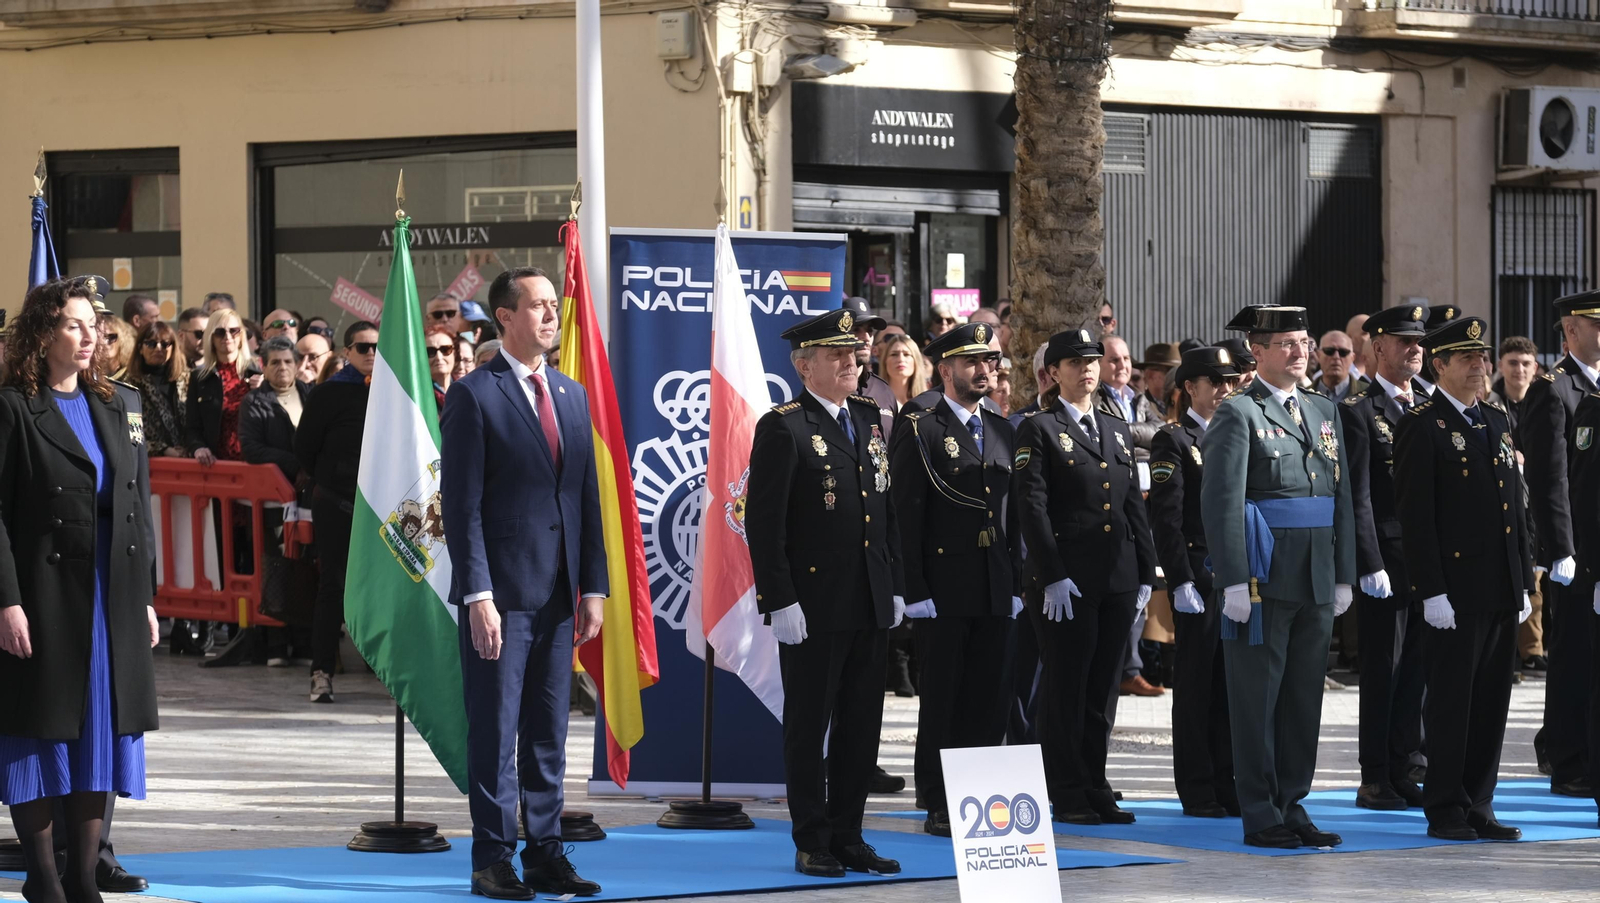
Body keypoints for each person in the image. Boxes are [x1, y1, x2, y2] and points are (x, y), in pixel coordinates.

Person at [440, 267, 606, 899]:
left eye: (552, 305)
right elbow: (462, 506)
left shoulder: (570, 394)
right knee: (495, 728)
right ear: (504, 317)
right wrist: (477, 594)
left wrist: (593, 586)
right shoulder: (475, 395)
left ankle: (544, 851)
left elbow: (585, 498)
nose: (548, 315)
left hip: (560, 595)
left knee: (548, 731)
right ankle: (492, 858)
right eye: (536, 305)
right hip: (501, 598)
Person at [0, 276, 161, 903]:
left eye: (94, 323)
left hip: (111, 597)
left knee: (103, 729)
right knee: (37, 731)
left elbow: (135, 506)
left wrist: (145, 596)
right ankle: (42, 879)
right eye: (74, 323)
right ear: (43, 336)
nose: (91, 333)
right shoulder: (13, 406)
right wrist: (6, 600)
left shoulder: (122, 405)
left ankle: (82, 875)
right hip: (42, 597)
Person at [746, 307, 906, 879]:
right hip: (812, 606)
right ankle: (812, 838)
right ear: (803, 364)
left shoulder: (867, 417)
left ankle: (850, 834)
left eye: (852, 351)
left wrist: (895, 585)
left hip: (868, 597)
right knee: (810, 726)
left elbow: (886, 511)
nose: (851, 359)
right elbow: (765, 525)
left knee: (862, 725)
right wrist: (779, 600)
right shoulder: (784, 426)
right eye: (836, 354)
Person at [1199, 305, 1356, 849]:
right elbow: (1222, 502)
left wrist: (1344, 572)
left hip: (1314, 572)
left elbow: (1343, 497)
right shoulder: (1238, 413)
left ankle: (1293, 803)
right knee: (1256, 698)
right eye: (1286, 343)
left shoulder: (1323, 410)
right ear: (1257, 352)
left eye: (1303, 341)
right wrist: (1233, 580)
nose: (1299, 352)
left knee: (1302, 698)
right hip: (1264, 577)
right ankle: (1261, 811)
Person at [1395, 316, 1531, 842]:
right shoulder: (1421, 423)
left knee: (1492, 701)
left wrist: (1521, 578)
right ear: (1440, 364)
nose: (1479, 366)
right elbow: (1417, 516)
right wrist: (1431, 589)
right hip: (1453, 589)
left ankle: (1480, 802)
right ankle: (1446, 805)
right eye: (1466, 358)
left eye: (1482, 357)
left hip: (1498, 584)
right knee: (1452, 701)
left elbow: (1512, 509)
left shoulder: (1495, 421)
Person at [1013, 328, 1155, 825]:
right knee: (1066, 688)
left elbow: (1131, 503)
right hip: (1066, 582)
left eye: (1093, 359)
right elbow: (1031, 506)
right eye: (1074, 362)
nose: (1088, 368)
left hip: (1115, 575)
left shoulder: (1116, 428)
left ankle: (1095, 782)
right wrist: (1050, 573)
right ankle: (1066, 790)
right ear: (1054, 374)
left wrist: (1145, 570)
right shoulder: (1039, 428)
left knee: (1101, 691)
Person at [890, 323, 1022, 837]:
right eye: (972, 362)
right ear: (945, 370)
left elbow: (1011, 518)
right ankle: (940, 800)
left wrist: (1015, 585)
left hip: (994, 583)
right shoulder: (921, 427)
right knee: (944, 698)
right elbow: (906, 512)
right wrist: (915, 589)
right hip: (943, 588)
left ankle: (984, 796)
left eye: (989, 361)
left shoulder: (1003, 428)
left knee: (991, 696)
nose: (985, 369)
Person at [1341, 304, 1432, 811]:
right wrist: (1369, 561)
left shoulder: (1428, 406)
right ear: (1377, 348)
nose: (1415, 349)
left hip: (1427, 559)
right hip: (1387, 561)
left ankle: (1404, 765)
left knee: (1416, 668)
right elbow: (1358, 496)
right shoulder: (1359, 411)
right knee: (1383, 669)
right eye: (1403, 341)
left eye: (1419, 342)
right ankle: (1374, 776)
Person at [1149, 346, 1242, 819]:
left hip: (1238, 577)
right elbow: (1166, 517)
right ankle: (1197, 785)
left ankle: (1227, 780)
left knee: (1230, 684)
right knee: (1196, 684)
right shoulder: (1175, 440)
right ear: (1190, 388)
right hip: (1200, 575)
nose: (1225, 391)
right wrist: (1180, 578)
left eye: (1230, 382)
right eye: (1214, 382)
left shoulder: (1237, 434)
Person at [1521, 290, 1595, 795]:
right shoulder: (1554, 388)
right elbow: (1551, 479)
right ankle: (1567, 761)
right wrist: (1562, 550)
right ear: (1570, 331)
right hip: (1578, 550)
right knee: (1572, 655)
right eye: (1596, 325)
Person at [294, 321, 377, 706]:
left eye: (378, 346)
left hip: (383, 508)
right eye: (363, 347)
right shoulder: (328, 394)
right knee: (333, 586)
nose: (372, 353)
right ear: (346, 352)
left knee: (384, 588)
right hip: (338, 503)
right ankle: (321, 671)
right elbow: (305, 449)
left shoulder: (395, 392)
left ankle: (385, 666)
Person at [240, 336, 314, 668]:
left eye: (287, 361)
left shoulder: (312, 395)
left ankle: (304, 643)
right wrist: (293, 464)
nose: (282, 367)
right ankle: (276, 643)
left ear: (297, 364)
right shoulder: (254, 402)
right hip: (272, 502)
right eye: (274, 362)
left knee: (308, 566)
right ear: (264, 366)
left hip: (311, 497)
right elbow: (252, 448)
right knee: (276, 568)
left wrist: (309, 469)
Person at [1487, 335, 1543, 672]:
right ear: (1501, 366)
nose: (1519, 369)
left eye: (1525, 363)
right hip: (1504, 503)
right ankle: (1513, 652)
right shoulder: (1489, 403)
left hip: (1538, 499)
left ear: (1535, 368)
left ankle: (1533, 650)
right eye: (1513, 363)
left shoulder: (1545, 399)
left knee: (1538, 575)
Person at [127, 321, 189, 458]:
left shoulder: (188, 380)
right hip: (153, 464)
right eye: (151, 344)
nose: (158, 348)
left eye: (165, 344)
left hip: (190, 460)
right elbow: (133, 435)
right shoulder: (129, 387)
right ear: (140, 348)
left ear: (173, 348)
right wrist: (162, 449)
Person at [842, 298, 896, 418]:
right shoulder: (827, 388)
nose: (866, 337)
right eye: (856, 330)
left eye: (870, 330)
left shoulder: (884, 390)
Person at [876, 333, 928, 409]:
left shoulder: (928, 401)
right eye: (894, 354)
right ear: (885, 361)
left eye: (906, 354)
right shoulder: (875, 399)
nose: (900, 359)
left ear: (916, 361)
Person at [1135, 342, 1180, 423]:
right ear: (1150, 374)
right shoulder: (1139, 405)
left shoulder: (1183, 403)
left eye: (1178, 372)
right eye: (1169, 371)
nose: (1175, 376)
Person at [1314, 330, 1361, 403]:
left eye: (1343, 352)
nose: (1336, 357)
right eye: (1329, 351)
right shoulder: (1301, 395)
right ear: (1318, 355)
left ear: (1352, 358)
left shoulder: (1368, 395)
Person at [425, 325, 457, 410]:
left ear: (454, 353)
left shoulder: (467, 389)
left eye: (445, 349)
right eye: (430, 352)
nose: (439, 357)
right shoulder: (416, 395)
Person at [95, 314, 135, 380]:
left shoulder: (134, 378)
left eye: (111, 337)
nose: (104, 342)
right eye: (99, 337)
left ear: (123, 340)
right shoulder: (88, 375)